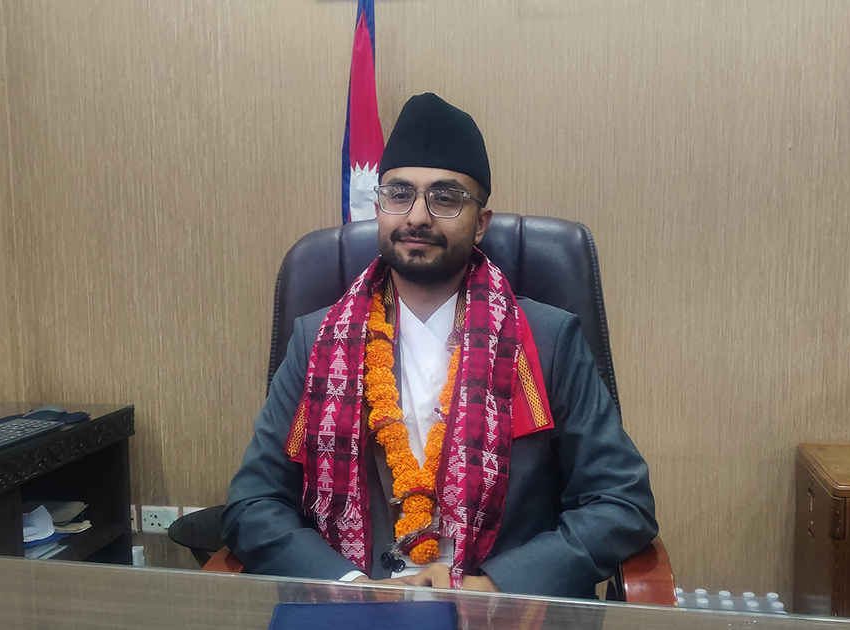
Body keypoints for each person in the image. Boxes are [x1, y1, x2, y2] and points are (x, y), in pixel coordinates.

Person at [222, 93, 656, 599]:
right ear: (379, 208)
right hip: (354, 605)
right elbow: (253, 503)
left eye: (446, 198)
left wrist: (494, 585)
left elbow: (621, 501)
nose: (418, 216)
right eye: (399, 193)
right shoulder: (317, 341)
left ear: (482, 222)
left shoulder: (547, 340)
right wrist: (352, 585)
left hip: (500, 609)